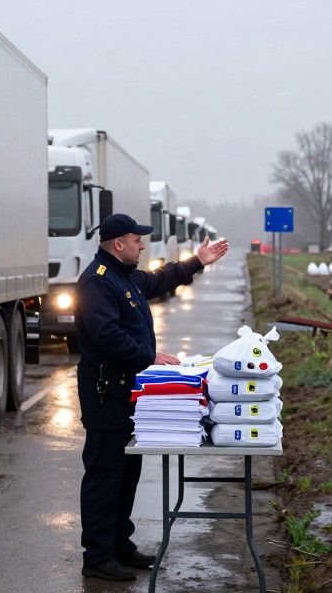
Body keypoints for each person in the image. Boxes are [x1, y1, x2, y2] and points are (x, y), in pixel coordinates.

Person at [75, 212, 230, 582]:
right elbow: (106, 335)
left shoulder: (124, 276)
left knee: (128, 469)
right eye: (137, 240)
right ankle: (97, 556)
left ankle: (119, 545)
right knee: (105, 472)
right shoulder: (97, 283)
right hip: (104, 392)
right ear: (118, 244)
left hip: (127, 392)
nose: (142, 245)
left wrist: (197, 261)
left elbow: (161, 280)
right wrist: (148, 357)